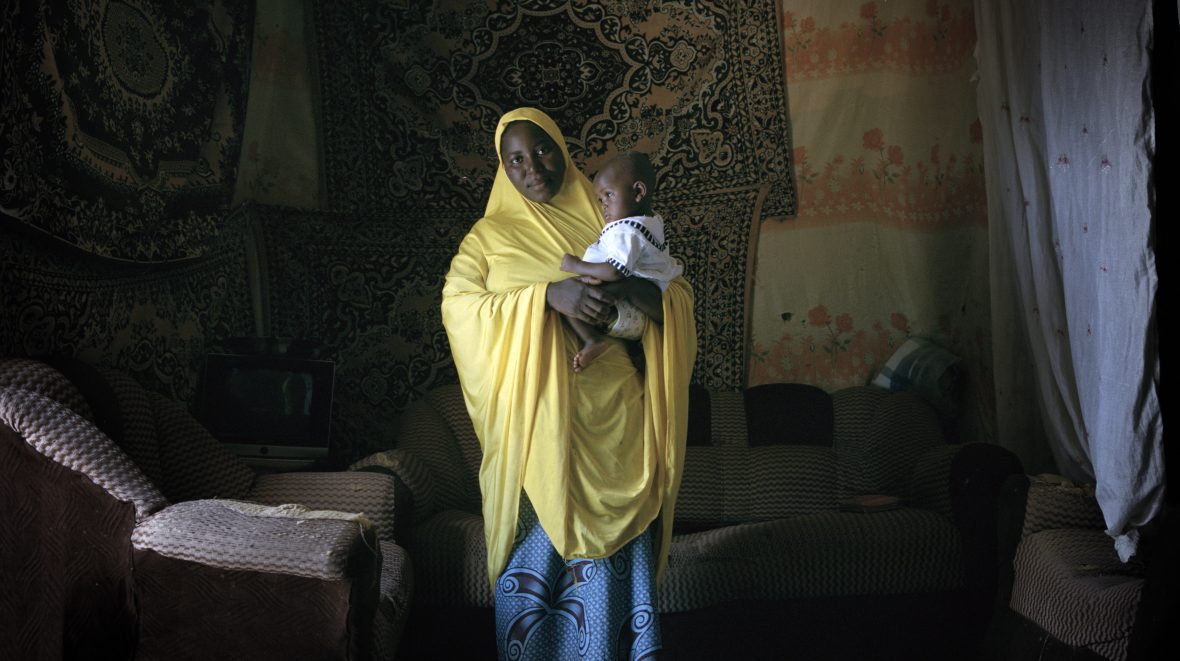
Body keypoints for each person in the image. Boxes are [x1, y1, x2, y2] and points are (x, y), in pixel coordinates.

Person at [441, 108, 696, 661]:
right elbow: (458, 310)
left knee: (611, 581)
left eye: (544, 151)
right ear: (501, 170)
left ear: (563, 147)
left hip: (615, 430)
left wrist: (615, 311)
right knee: (538, 574)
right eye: (516, 160)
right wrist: (546, 297)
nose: (533, 168)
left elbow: (670, 294)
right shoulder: (485, 241)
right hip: (538, 438)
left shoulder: (606, 215)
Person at [559, 152, 685, 372]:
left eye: (608, 195)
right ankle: (636, 348)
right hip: (653, 300)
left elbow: (616, 271)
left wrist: (577, 265)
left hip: (641, 298)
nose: (603, 206)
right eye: (600, 200)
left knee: (572, 300)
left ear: (638, 192)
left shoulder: (625, 230)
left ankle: (593, 340)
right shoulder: (650, 221)